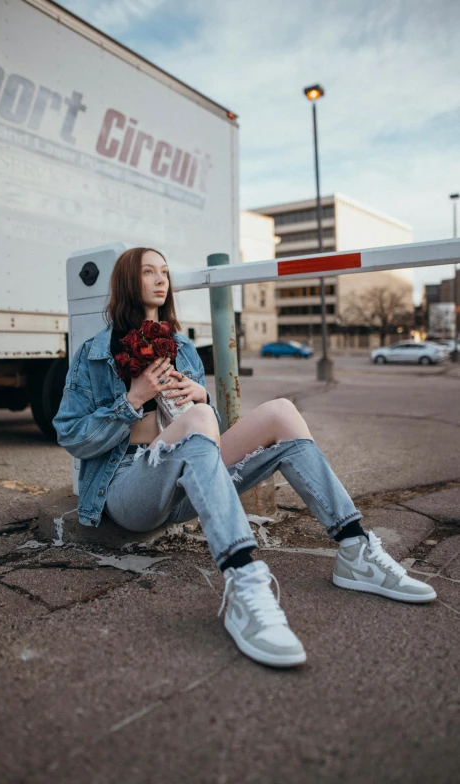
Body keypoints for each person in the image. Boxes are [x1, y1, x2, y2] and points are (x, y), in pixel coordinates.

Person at [53, 247, 436, 668]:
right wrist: (133, 400)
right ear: (128, 280)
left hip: (191, 478)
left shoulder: (181, 347)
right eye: (148, 272)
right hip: (127, 485)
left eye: (164, 271)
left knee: (282, 412)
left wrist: (202, 399)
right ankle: (243, 580)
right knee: (200, 417)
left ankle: (355, 550)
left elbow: (204, 428)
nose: (161, 279)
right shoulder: (94, 353)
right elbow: (70, 434)